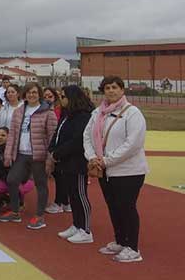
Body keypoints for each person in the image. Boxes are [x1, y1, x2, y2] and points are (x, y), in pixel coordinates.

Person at [83, 76, 148, 263]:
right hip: (104, 170)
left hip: (129, 171)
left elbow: (133, 143)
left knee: (127, 207)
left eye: (115, 87)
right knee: (113, 207)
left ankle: (133, 248)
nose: (111, 91)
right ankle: (120, 240)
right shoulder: (97, 113)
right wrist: (92, 157)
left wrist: (107, 160)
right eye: (107, 88)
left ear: (122, 90)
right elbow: (87, 136)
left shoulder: (132, 113)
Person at [0, 82, 58, 230]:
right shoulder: (19, 111)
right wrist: (8, 154)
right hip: (21, 154)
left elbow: (52, 136)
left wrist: (50, 158)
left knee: (41, 184)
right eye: (29, 92)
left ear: (40, 94)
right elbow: (12, 134)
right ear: (24, 95)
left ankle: (39, 216)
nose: (31, 95)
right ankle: (15, 210)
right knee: (12, 179)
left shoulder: (47, 113)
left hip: (39, 155)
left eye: (35, 92)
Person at [50, 85, 95, 244]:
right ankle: (77, 225)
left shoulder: (83, 116)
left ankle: (86, 230)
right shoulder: (66, 115)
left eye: (63, 97)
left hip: (77, 162)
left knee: (80, 195)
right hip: (65, 161)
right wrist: (52, 150)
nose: (60, 99)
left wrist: (58, 153)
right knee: (72, 195)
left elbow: (77, 141)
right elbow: (58, 134)